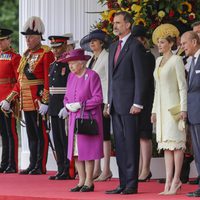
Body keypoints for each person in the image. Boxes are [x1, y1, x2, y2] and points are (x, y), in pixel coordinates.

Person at [1, 16, 55, 175]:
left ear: (39, 37)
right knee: (31, 133)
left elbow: (46, 79)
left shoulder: (46, 53)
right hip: (26, 99)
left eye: (31, 36)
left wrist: (45, 101)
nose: (27, 39)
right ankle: (32, 164)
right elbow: (20, 81)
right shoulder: (26, 55)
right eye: (26, 37)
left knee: (40, 133)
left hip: (38, 99)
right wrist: (9, 98)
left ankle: (40, 165)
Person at [106, 11, 148, 195]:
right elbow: (111, 78)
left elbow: (142, 77)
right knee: (120, 145)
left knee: (130, 144)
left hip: (131, 105)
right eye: (114, 23)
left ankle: (131, 184)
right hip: (116, 104)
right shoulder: (113, 47)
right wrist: (109, 102)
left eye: (118, 23)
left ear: (128, 25)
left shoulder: (136, 46)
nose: (115, 26)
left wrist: (138, 102)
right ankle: (122, 183)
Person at [151, 23, 187, 195]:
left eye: (163, 42)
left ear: (171, 44)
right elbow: (157, 88)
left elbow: (182, 87)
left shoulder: (177, 60)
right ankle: (168, 182)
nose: (159, 44)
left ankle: (176, 180)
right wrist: (154, 111)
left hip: (174, 109)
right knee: (166, 146)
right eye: (158, 42)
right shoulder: (158, 61)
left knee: (176, 145)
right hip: (161, 109)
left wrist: (184, 109)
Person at [63, 48, 103, 192]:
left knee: (88, 151)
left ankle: (89, 181)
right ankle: (81, 181)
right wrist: (67, 105)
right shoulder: (71, 77)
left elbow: (98, 98)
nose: (71, 67)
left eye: (73, 63)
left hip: (87, 118)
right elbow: (66, 96)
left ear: (81, 63)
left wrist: (81, 105)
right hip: (74, 118)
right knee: (76, 152)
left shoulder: (92, 76)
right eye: (69, 64)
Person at [80, 29, 112, 181]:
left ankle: (106, 169)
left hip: (103, 100)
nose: (92, 43)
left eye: (95, 40)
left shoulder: (106, 57)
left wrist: (108, 103)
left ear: (102, 42)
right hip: (92, 101)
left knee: (105, 135)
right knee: (96, 135)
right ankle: (97, 168)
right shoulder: (91, 59)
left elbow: (110, 81)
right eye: (90, 41)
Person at [47, 33, 77, 180]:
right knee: (57, 139)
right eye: (53, 48)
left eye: (58, 47)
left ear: (65, 46)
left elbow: (71, 88)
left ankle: (68, 169)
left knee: (65, 139)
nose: (55, 51)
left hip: (64, 106)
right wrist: (46, 104)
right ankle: (60, 168)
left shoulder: (68, 65)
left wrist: (67, 106)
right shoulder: (53, 65)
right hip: (53, 106)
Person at [131, 25, 155, 182]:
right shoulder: (137, 53)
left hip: (145, 98)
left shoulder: (147, 55)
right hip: (135, 99)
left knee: (144, 135)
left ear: (142, 39)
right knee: (138, 135)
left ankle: (146, 169)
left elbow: (144, 79)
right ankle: (141, 168)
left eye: (137, 38)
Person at [181, 31, 200, 197]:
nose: (182, 47)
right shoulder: (191, 61)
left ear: (194, 42)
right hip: (193, 114)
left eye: (184, 43)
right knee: (198, 151)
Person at [0, 28, 21, 173]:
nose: (0, 43)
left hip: (8, 99)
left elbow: (19, 81)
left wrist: (10, 99)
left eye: (3, 40)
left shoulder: (15, 57)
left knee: (10, 132)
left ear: (9, 40)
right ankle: (3, 163)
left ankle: (12, 164)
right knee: (2, 133)